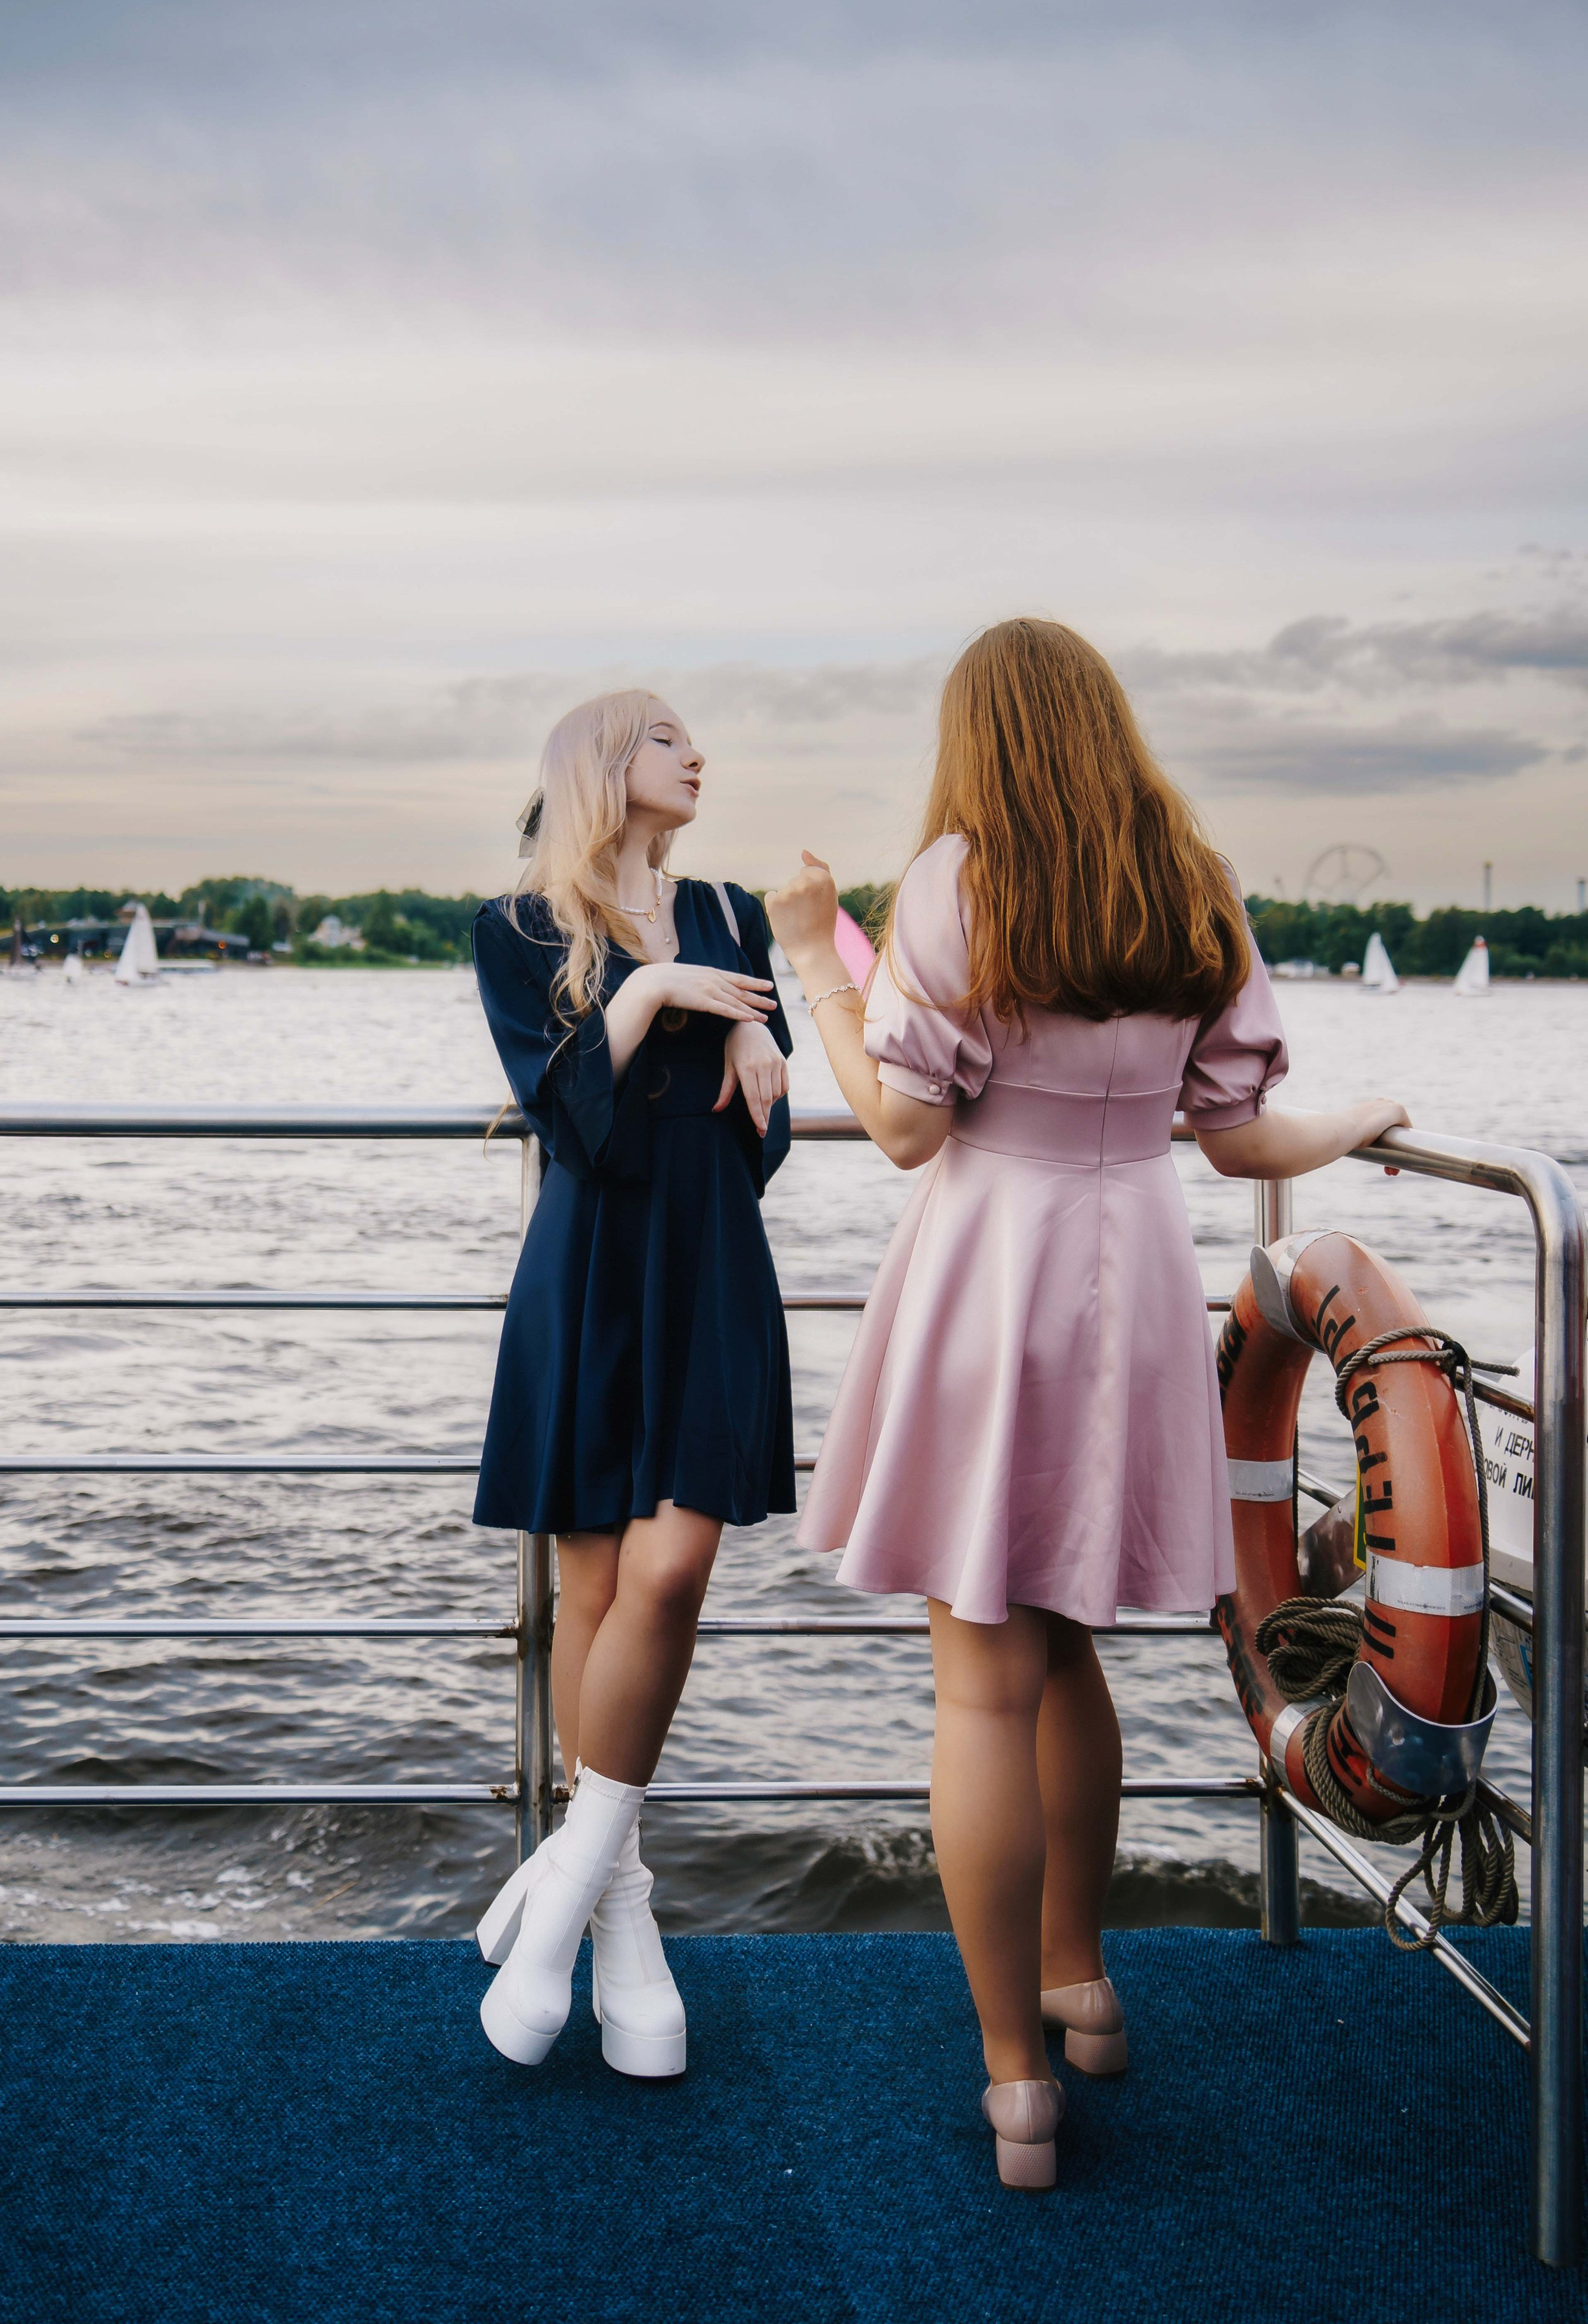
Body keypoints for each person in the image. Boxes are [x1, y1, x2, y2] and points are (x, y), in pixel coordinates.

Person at [766, 618, 1408, 2193]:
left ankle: (1015, 2081)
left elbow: (903, 1129)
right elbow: (1238, 1140)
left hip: (994, 1279)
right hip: (1132, 1286)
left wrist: (813, 960)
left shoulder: (957, 880)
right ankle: (1084, 1986)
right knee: (1066, 1654)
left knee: (983, 1685)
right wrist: (1360, 1120)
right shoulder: (1185, 879)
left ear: (977, 736)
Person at [469, 689, 793, 2079]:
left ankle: (561, 1899)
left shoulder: (730, 911)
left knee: (670, 1575)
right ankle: (622, 1910)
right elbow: (570, 1119)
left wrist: (759, 1042)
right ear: (603, 766)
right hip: (590, 1268)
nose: (694, 752)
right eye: (664, 736)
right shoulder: (518, 927)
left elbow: (758, 1132)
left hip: (708, 1262)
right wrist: (654, 994)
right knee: (592, 1590)